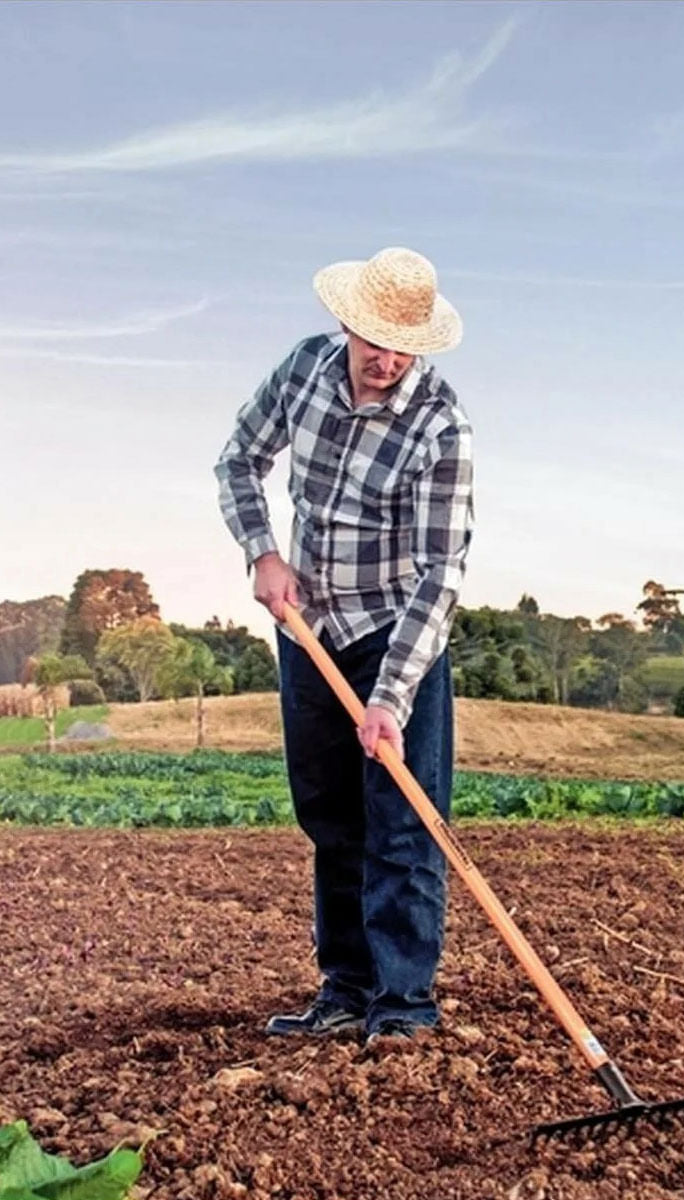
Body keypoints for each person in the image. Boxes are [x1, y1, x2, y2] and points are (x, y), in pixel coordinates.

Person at [214, 247, 473, 1045]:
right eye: (375, 339)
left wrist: (391, 696)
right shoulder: (302, 372)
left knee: (402, 823)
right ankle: (347, 991)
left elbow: (441, 574)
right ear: (346, 322)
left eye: (405, 344)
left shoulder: (442, 427)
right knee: (330, 817)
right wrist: (262, 552)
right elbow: (239, 460)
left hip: (397, 635)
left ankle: (403, 1008)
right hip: (309, 628)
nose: (388, 359)